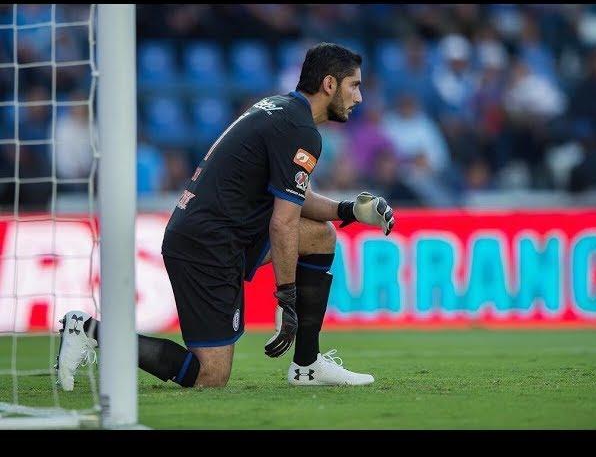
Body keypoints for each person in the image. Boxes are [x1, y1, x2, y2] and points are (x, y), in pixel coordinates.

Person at [56, 43, 395, 390]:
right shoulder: (299, 130)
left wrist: (347, 210)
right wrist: (287, 298)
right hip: (206, 245)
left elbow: (294, 197)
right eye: (354, 85)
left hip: (226, 235)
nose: (360, 97)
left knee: (321, 235)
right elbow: (283, 222)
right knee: (210, 376)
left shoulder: (280, 109)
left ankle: (307, 366)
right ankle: (89, 330)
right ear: (329, 84)